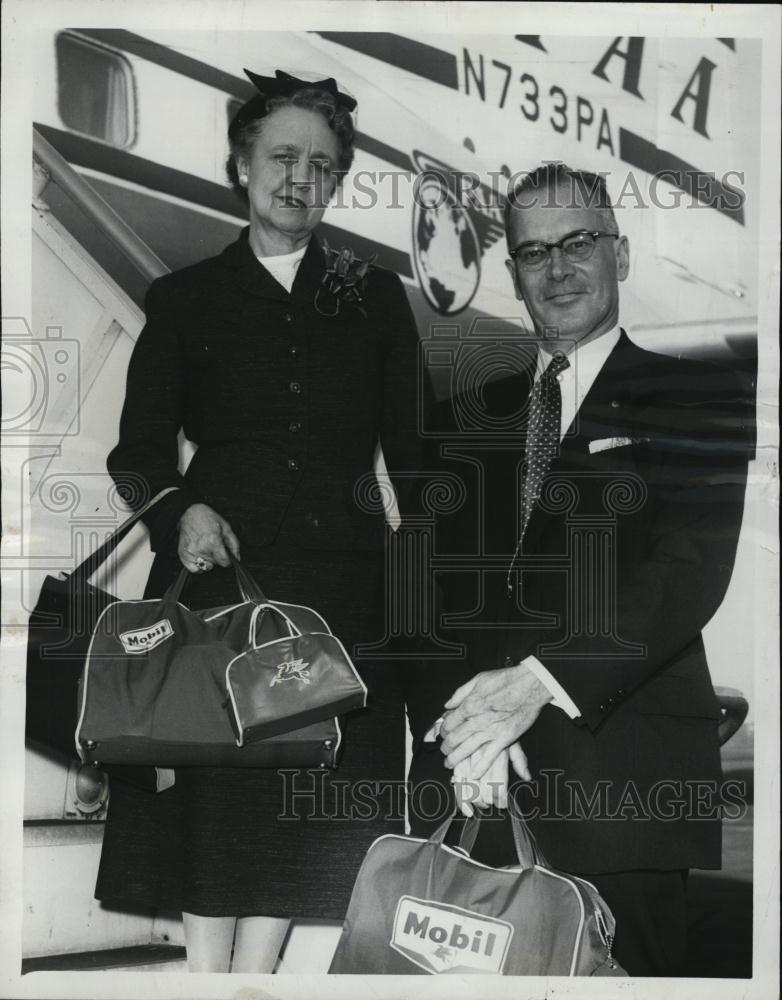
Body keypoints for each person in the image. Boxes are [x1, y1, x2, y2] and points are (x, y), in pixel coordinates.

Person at [98, 69, 426, 972]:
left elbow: (418, 459)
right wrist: (182, 512)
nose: (300, 177)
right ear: (242, 165)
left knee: (307, 801)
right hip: (219, 584)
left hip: (343, 593)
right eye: (282, 156)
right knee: (216, 799)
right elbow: (138, 455)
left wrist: (427, 586)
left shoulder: (374, 295)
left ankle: (251, 982)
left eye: (322, 165)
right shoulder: (184, 298)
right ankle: (213, 981)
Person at [407, 162, 752, 976]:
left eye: (578, 243)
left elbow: (686, 574)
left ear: (619, 254)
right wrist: (465, 734)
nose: (557, 269)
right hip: (474, 785)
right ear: (514, 273)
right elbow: (420, 594)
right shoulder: (462, 419)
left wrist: (535, 685)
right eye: (534, 252)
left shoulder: (699, 399)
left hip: (620, 792)